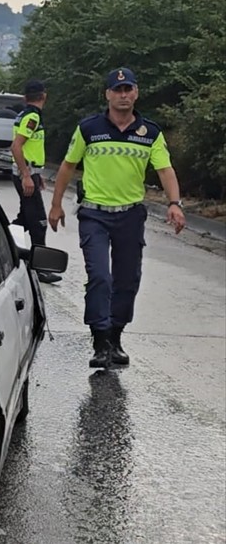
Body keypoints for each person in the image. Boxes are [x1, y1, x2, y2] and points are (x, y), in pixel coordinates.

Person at [48, 67, 186, 369]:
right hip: (94, 214)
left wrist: (174, 203)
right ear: (108, 94)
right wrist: (56, 205)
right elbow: (67, 166)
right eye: (117, 90)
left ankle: (115, 337)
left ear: (136, 93)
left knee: (127, 279)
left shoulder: (150, 133)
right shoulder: (89, 128)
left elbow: (165, 170)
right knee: (99, 276)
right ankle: (99, 340)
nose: (123, 95)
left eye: (129, 89)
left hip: (130, 216)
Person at [11, 80, 62, 284]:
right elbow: (17, 146)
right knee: (39, 222)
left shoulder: (24, 115)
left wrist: (35, 174)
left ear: (25, 98)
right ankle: (40, 268)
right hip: (25, 175)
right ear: (44, 96)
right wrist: (26, 175)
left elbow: (28, 148)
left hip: (29, 173)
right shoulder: (32, 117)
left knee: (24, 219)